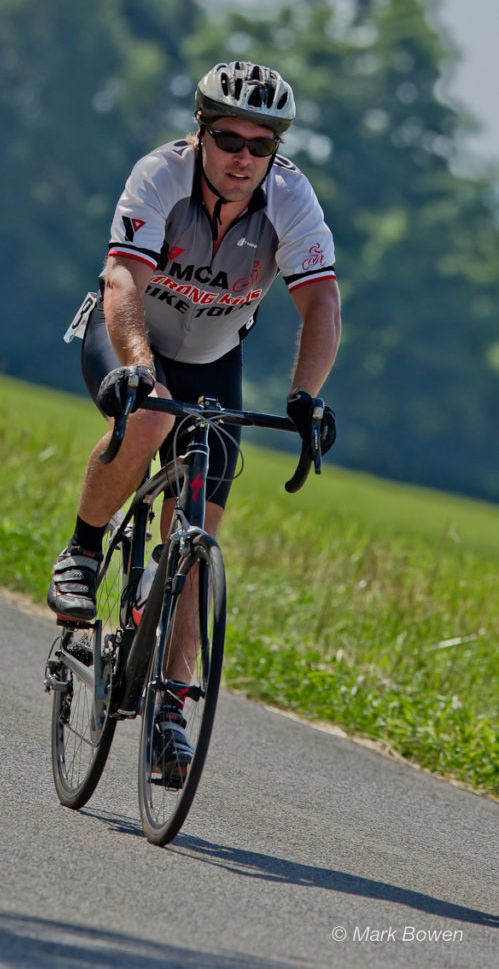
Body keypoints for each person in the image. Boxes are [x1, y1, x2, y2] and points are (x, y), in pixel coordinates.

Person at [48, 60, 341, 776]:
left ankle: (170, 711)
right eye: (230, 140)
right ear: (200, 133)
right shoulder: (160, 175)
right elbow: (123, 278)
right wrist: (137, 365)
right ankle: (82, 550)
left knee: (197, 543)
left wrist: (305, 396)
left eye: (260, 146)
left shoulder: (291, 198)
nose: (244, 157)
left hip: (213, 358)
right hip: (126, 334)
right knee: (149, 419)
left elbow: (321, 303)